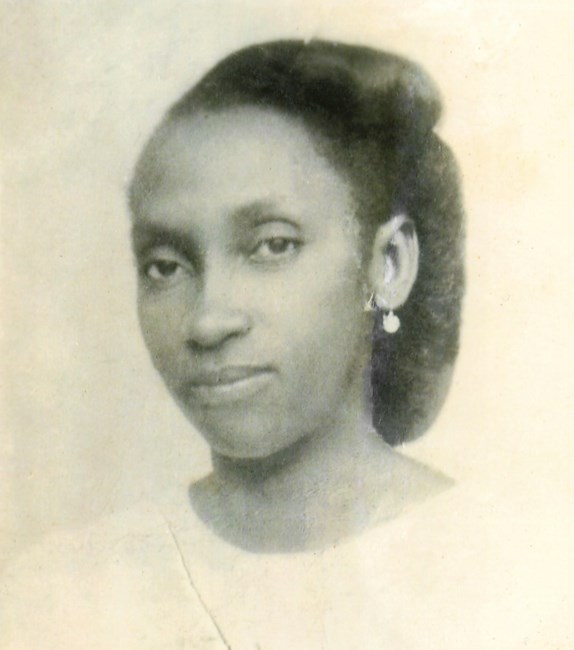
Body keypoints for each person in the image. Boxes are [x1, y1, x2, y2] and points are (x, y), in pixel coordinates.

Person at [128, 39, 465, 553]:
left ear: (388, 264)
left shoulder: (514, 562)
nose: (207, 322)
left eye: (273, 245)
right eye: (165, 266)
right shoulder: (64, 577)